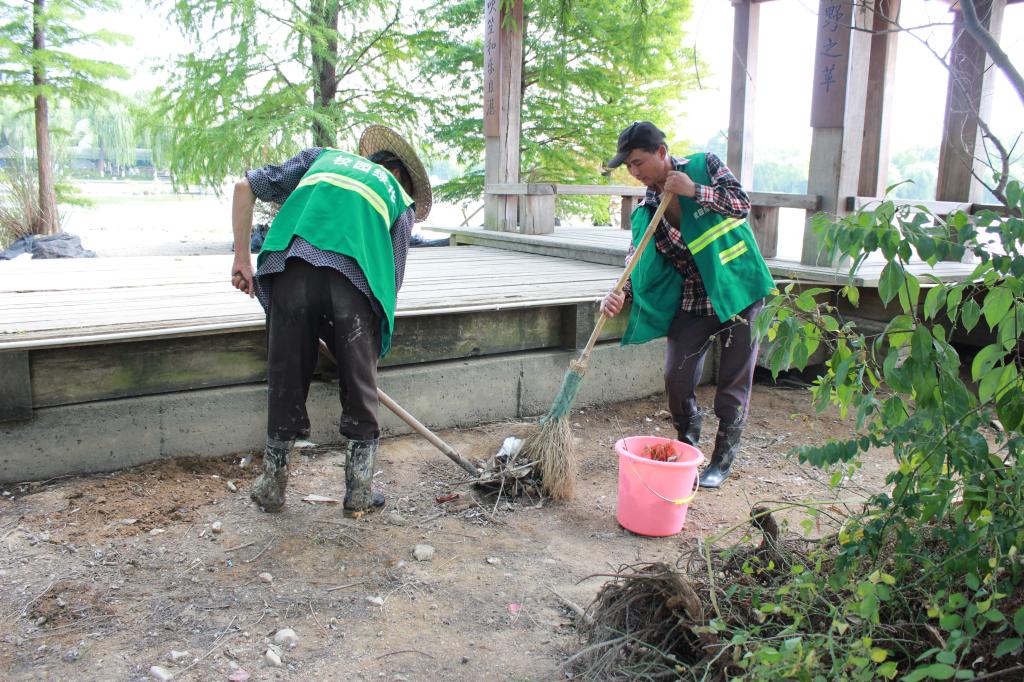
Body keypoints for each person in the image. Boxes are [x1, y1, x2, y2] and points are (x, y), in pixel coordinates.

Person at [230, 125, 432, 515]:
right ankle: (359, 494)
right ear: (399, 174)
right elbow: (389, 284)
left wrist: (242, 260)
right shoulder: (399, 198)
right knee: (360, 387)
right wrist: (364, 352)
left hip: (289, 268)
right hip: (353, 284)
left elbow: (244, 188)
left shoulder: (321, 159)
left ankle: (272, 487)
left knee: (286, 375)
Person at [600, 122, 775, 489]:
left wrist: (694, 190)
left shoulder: (703, 166)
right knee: (676, 377)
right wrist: (619, 293)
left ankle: (722, 460)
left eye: (638, 162)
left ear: (661, 153)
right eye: (628, 166)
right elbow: (636, 258)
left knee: (733, 380)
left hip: (738, 290)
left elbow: (742, 204)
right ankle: (688, 445)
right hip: (694, 298)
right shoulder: (647, 209)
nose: (634, 172)